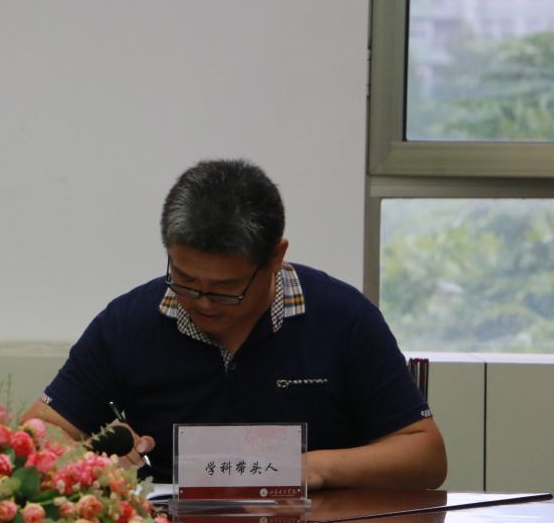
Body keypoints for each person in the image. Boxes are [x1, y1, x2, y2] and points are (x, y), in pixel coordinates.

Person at [23, 159, 446, 489]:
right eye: (185, 280)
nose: (203, 302)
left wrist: (312, 468)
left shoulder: (342, 317)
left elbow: (424, 456)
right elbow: (37, 432)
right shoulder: (129, 322)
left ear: (276, 257)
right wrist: (90, 455)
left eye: (227, 289)